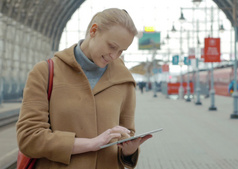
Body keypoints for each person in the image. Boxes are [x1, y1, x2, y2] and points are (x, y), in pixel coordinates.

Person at [16, 8, 152, 169]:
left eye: (121, 51)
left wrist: (129, 151)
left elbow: (127, 133)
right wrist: (90, 144)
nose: (114, 56)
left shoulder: (124, 80)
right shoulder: (45, 72)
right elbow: (29, 138)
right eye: (112, 46)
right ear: (93, 31)